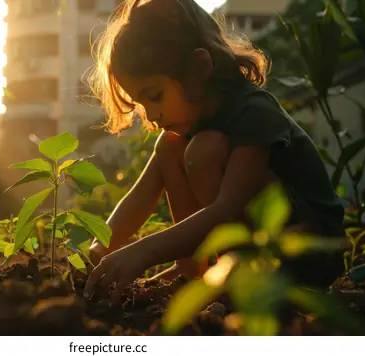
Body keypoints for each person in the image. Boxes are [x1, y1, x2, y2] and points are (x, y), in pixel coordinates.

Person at [83, 0, 346, 306]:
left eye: (154, 96)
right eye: (142, 104)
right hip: (265, 244)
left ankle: (235, 274)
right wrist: (101, 246)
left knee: (204, 150)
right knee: (169, 145)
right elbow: (142, 194)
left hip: (311, 252)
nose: (151, 114)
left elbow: (227, 208)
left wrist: (143, 251)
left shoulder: (254, 112)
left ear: (199, 69)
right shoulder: (190, 125)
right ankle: (190, 267)